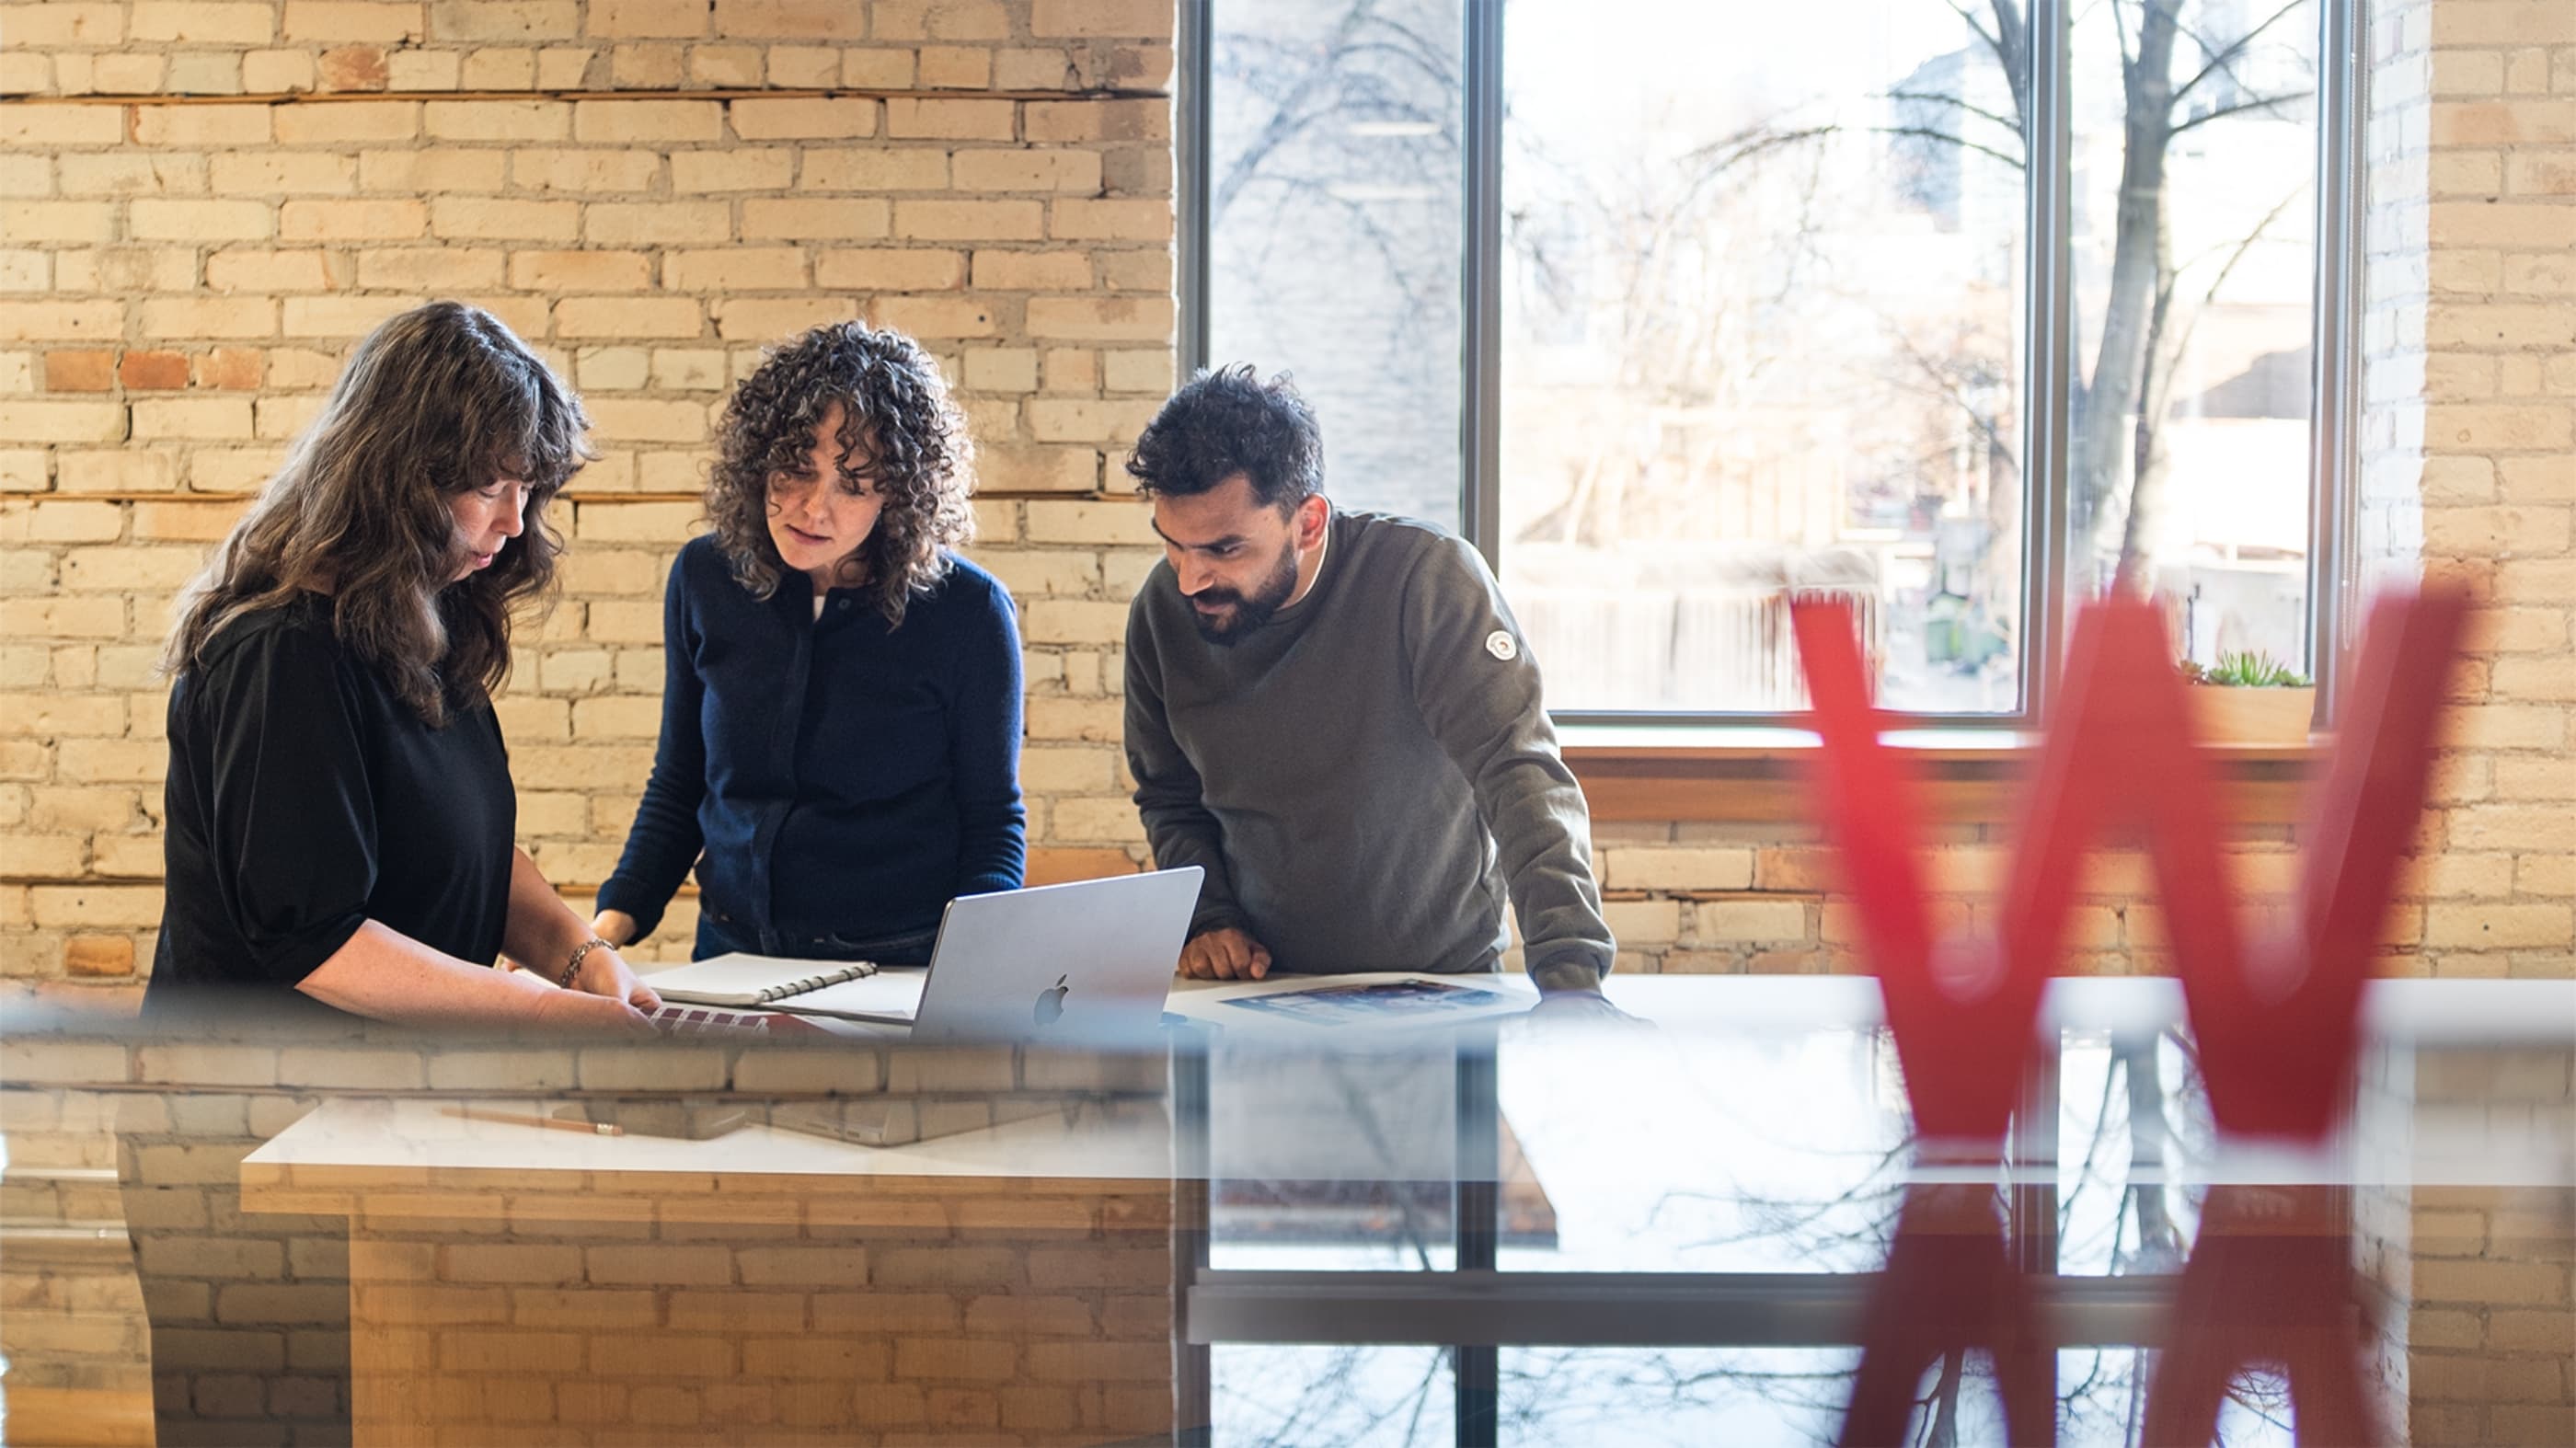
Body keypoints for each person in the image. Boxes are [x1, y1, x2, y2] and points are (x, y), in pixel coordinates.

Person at [149, 301, 658, 1031]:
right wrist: (536, 1010)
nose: (514, 523)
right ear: (398, 476)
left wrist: (581, 959)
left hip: (383, 1092)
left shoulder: (428, 617)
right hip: (253, 1114)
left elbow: (460, 845)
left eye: (528, 490)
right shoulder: (278, 654)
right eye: (489, 487)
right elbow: (316, 941)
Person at [1121, 365, 1617, 1009]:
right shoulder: (1162, 613)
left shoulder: (1425, 580)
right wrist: (1210, 917)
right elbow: (1170, 797)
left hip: (1441, 991)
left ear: (1308, 523)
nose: (1191, 579)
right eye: (1174, 546)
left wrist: (1572, 982)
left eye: (1224, 549)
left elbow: (1519, 774)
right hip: (1257, 999)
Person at [592, 323, 1024, 964]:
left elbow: (992, 821)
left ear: (900, 496)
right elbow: (681, 782)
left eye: (854, 484)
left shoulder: (968, 611)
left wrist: (979, 966)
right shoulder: (706, 577)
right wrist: (597, 935)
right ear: (757, 459)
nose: (813, 508)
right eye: (796, 469)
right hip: (732, 950)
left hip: (897, 959)